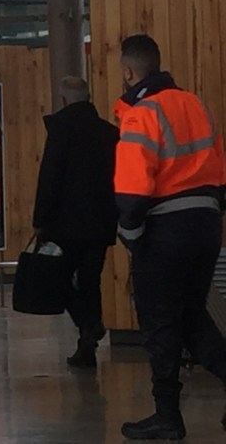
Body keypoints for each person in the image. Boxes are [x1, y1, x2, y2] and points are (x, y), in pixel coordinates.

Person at [114, 34, 226, 440]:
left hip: (165, 229)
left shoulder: (141, 114)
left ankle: (167, 415)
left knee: (159, 321)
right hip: (206, 223)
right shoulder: (194, 105)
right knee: (193, 314)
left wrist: (130, 233)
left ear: (129, 72)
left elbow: (133, 188)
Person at [31, 76, 119, 368]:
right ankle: (87, 344)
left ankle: (89, 325)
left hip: (65, 223)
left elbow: (50, 176)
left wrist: (40, 219)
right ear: (89, 97)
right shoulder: (109, 133)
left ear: (64, 100)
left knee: (59, 278)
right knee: (91, 280)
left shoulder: (61, 130)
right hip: (101, 222)